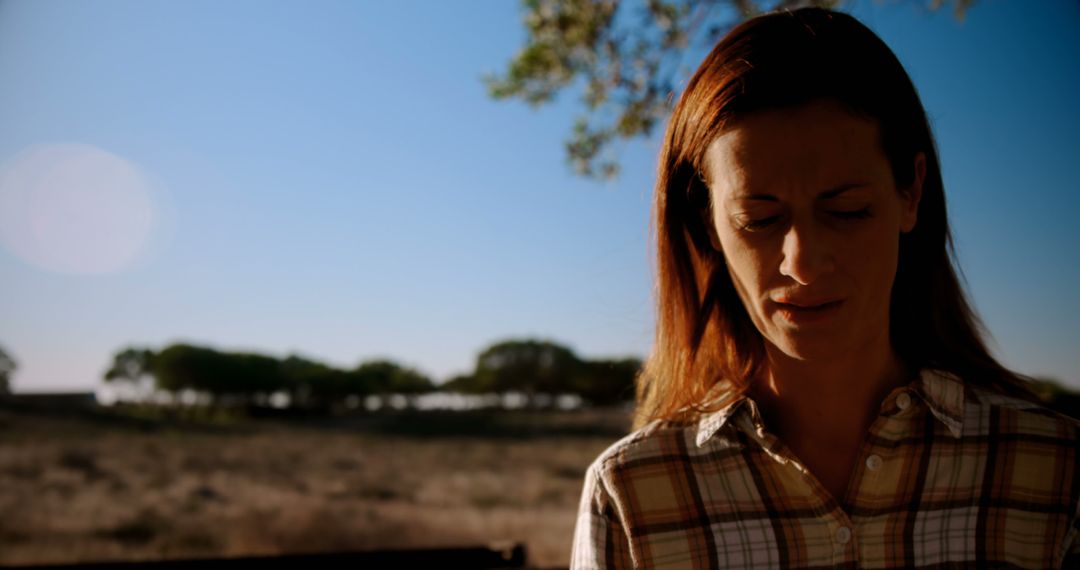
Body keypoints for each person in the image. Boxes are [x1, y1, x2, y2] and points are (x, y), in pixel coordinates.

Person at [570, 7, 1079, 569]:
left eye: (847, 210)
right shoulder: (632, 497)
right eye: (759, 220)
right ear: (706, 222)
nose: (803, 265)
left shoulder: (1056, 474)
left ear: (911, 193)